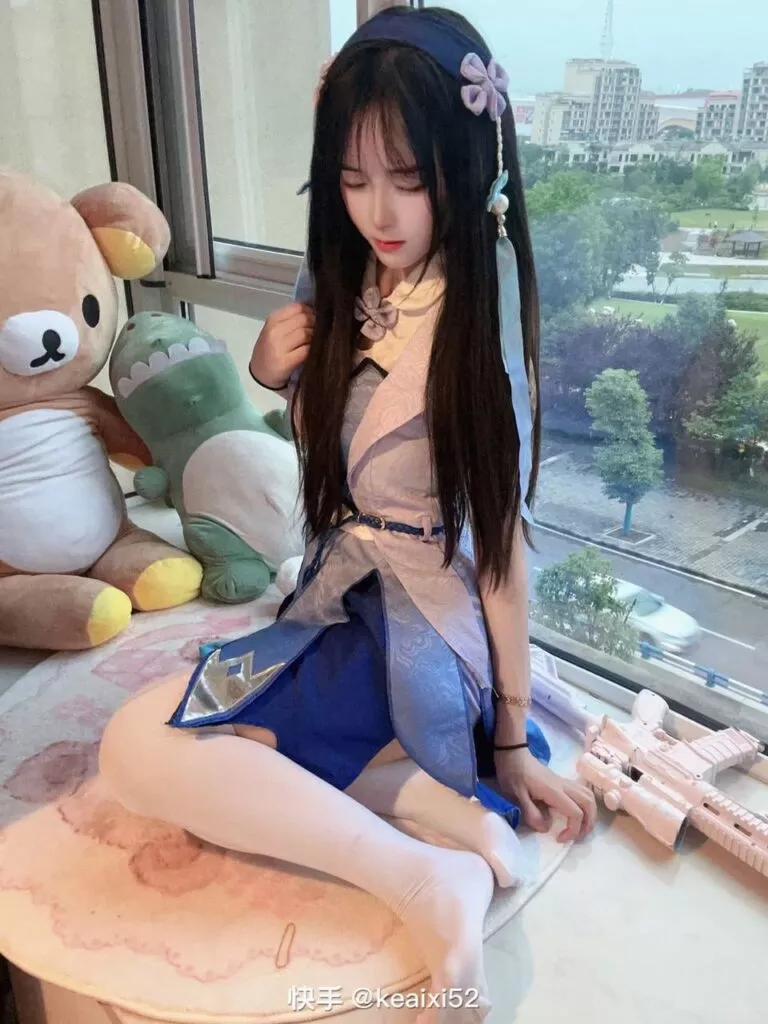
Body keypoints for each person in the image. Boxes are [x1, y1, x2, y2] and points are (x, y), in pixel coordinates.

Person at [99, 7, 596, 1020]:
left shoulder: (476, 326)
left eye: (409, 178)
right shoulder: (341, 279)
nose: (380, 210)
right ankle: (441, 829)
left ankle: (421, 877)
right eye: (354, 177)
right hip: (338, 600)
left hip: (422, 627)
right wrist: (270, 370)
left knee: (145, 747)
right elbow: (343, 460)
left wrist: (508, 737)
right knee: (157, 748)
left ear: (470, 167)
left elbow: (499, 553)